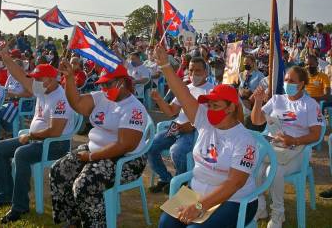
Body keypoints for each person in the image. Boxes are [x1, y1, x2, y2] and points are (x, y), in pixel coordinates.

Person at [154, 45, 258, 228]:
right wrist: (165, 66)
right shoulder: (205, 121)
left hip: (233, 200)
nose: (209, 111)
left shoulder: (244, 140)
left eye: (215, 106)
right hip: (196, 193)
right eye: (208, 106)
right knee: (165, 224)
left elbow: (234, 184)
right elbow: (183, 93)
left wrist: (199, 206)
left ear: (231, 107)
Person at [0, 48, 75, 224]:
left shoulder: (60, 98)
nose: (35, 81)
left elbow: (55, 132)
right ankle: (4, 196)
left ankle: (20, 206)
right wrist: (6, 58)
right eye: (35, 78)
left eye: (39, 78)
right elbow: (19, 75)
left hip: (55, 144)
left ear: (51, 79)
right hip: (37, 139)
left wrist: (30, 135)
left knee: (21, 154)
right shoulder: (42, 89)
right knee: (0, 148)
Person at [50, 63, 148, 227]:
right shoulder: (102, 98)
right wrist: (69, 79)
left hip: (125, 160)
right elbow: (77, 103)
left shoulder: (134, 109)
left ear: (122, 82)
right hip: (96, 150)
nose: (103, 87)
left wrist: (91, 157)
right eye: (101, 84)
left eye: (107, 84)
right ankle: (73, 219)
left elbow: (124, 145)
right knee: (59, 170)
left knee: (84, 185)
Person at [251, 66, 323, 228]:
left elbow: (316, 135)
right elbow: (257, 121)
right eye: (286, 80)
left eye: (292, 81)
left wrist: (294, 140)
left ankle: (278, 214)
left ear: (302, 84)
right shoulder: (277, 100)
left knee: (272, 171)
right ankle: (260, 207)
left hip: (298, 150)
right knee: (254, 165)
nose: (287, 83)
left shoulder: (310, 105)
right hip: (274, 147)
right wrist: (258, 101)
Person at [148, 57, 214, 194]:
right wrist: (159, 100)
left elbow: (210, 118)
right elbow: (171, 111)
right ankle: (165, 178)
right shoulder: (185, 88)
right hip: (176, 127)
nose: (194, 74)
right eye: (191, 70)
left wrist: (192, 125)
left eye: (198, 70)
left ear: (206, 72)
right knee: (150, 146)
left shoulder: (211, 91)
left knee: (176, 151)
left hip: (194, 131)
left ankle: (180, 180)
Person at [0, 59, 33, 136]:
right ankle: (7, 130)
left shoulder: (26, 77)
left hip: (23, 102)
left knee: (3, 111)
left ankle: (11, 130)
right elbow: (6, 89)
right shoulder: (11, 77)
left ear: (20, 68)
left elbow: (29, 94)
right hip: (10, 101)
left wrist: (14, 95)